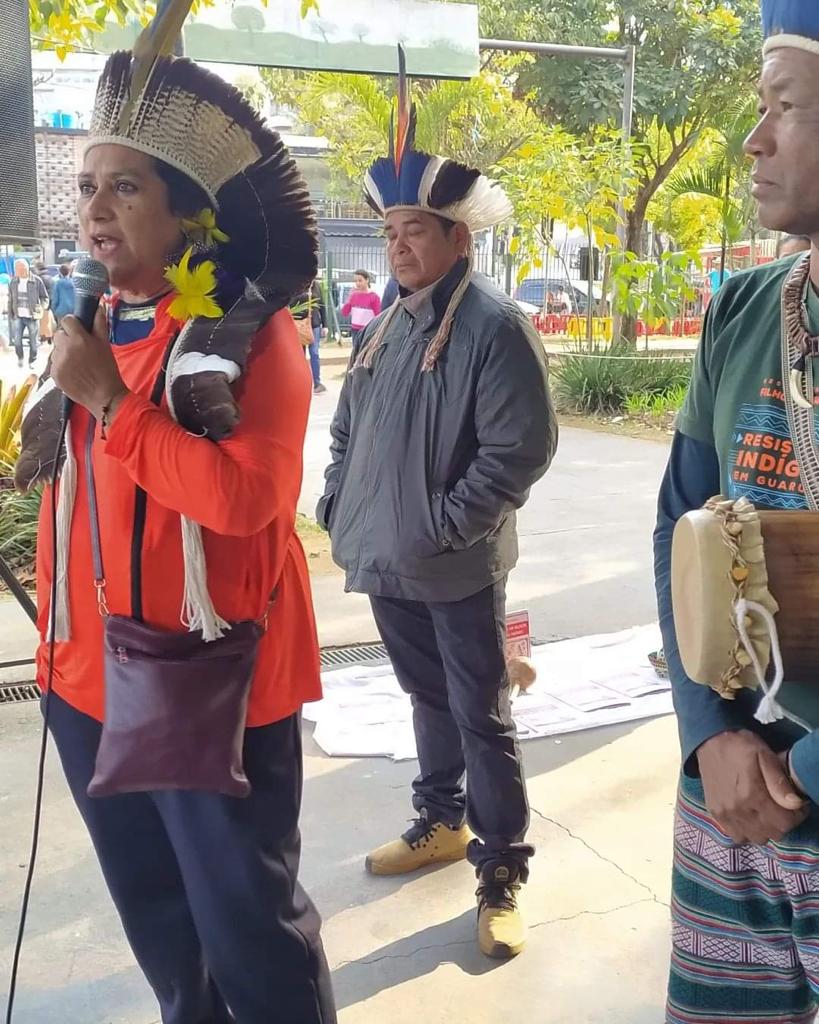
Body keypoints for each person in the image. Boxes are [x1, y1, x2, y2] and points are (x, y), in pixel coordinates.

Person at [14, 40, 336, 1024]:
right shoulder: (94, 326)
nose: (96, 210)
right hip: (83, 683)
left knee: (251, 938)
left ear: (188, 208)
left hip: (213, 690)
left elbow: (247, 504)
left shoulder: (251, 335)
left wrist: (113, 403)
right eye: (86, 187)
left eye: (125, 187)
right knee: (164, 934)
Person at [318, 68, 557, 961]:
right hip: (386, 561)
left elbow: (518, 451)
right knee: (424, 698)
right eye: (388, 232)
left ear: (456, 236)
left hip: (453, 564)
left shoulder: (494, 327)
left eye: (412, 230)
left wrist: (440, 526)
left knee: (480, 713)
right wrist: (340, 502)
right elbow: (345, 430)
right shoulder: (386, 326)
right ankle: (440, 821)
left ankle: (501, 873)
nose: (397, 247)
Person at [655, 5, 819, 1020]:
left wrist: (798, 769)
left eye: (786, 108)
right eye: (758, 107)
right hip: (731, 794)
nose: (752, 140)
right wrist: (707, 733)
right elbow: (679, 526)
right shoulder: (743, 310)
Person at [8, 259, 48, 368]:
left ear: (27, 269)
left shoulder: (36, 281)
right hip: (18, 316)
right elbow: (10, 299)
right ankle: (20, 358)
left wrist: (41, 308)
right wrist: (10, 314)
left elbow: (44, 297)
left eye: (22, 269)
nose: (20, 271)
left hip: (32, 317)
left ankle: (32, 360)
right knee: (17, 341)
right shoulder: (13, 282)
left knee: (34, 343)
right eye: (17, 269)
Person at [340, 268, 380, 343]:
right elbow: (344, 312)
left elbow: (378, 315)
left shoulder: (374, 297)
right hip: (355, 329)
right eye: (356, 281)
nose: (358, 283)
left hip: (368, 329)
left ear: (367, 280)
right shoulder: (353, 295)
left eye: (360, 280)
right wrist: (349, 298)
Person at [35, 260, 56, 348]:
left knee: (42, 320)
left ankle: (44, 337)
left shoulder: (38, 278)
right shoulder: (51, 278)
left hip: (42, 301)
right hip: (52, 300)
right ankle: (50, 336)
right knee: (50, 319)